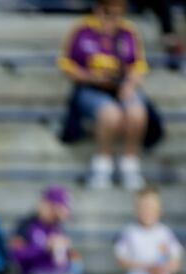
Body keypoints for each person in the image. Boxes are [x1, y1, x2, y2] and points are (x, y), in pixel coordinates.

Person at [58, 0, 152, 190]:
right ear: (98, 9)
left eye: (119, 13)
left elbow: (139, 65)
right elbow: (66, 64)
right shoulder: (82, 30)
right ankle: (103, 164)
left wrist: (129, 84)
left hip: (121, 87)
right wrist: (90, 77)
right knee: (110, 113)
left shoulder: (128, 31)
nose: (113, 17)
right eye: (108, 12)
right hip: (90, 88)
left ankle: (129, 164)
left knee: (137, 111)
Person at [114, 186, 182, 274]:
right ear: (136, 210)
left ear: (160, 209)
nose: (147, 211)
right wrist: (147, 267)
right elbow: (121, 260)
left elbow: (175, 262)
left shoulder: (165, 233)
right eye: (143, 207)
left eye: (151, 207)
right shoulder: (129, 232)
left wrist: (164, 268)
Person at [10, 185, 82, 274]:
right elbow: (16, 255)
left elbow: (73, 259)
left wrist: (69, 252)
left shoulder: (59, 228)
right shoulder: (26, 226)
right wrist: (44, 248)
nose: (59, 214)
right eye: (57, 209)